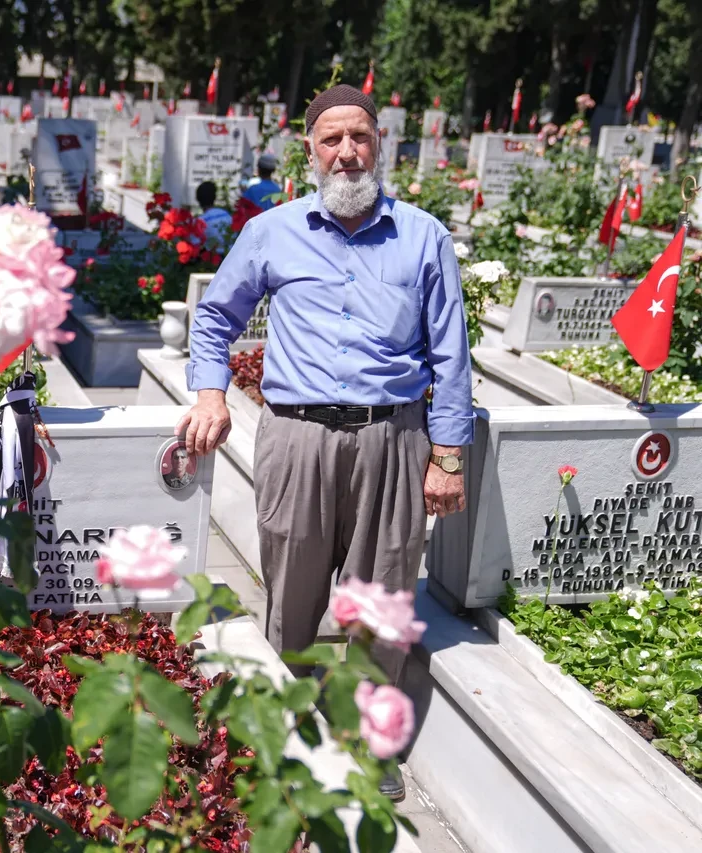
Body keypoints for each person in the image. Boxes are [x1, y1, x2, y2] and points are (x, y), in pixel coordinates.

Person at [178, 84, 472, 801]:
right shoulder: (272, 232)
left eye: (360, 138)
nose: (347, 152)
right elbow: (215, 319)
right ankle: (283, 728)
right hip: (298, 438)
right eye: (332, 139)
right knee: (293, 593)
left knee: (383, 597)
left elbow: (450, 355)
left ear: (381, 146)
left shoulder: (423, 236)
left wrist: (447, 454)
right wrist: (211, 391)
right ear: (309, 150)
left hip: (390, 440)